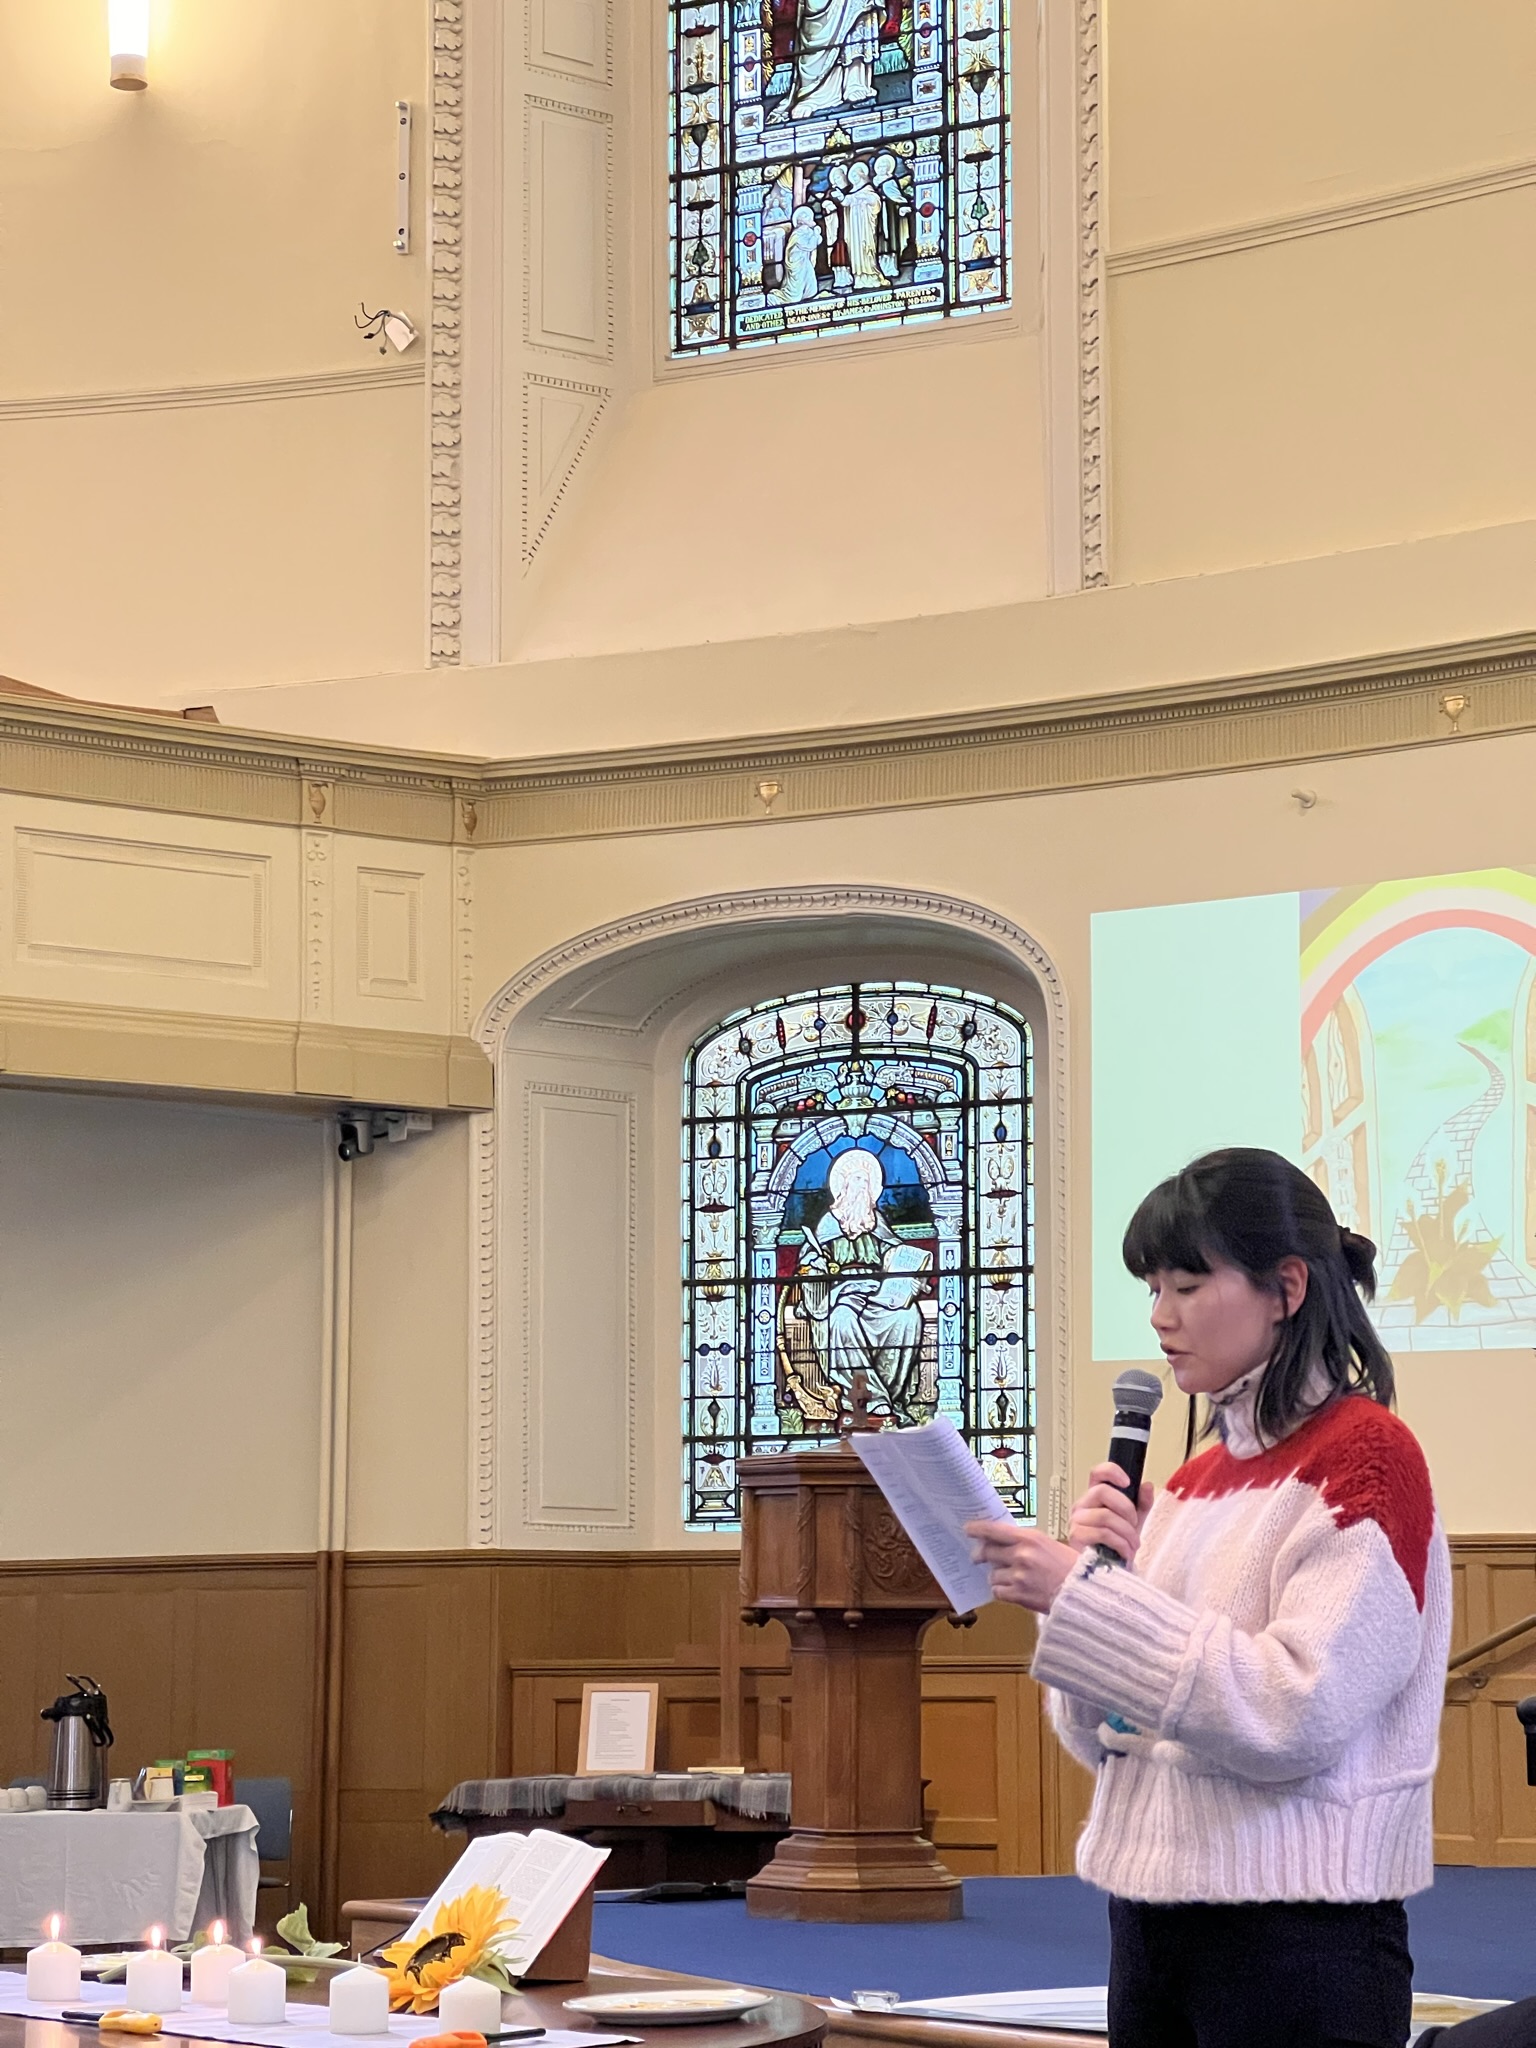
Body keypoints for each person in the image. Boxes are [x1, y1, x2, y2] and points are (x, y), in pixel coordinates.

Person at [967, 1148, 1452, 2048]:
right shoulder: (1190, 1485)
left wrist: (1091, 1603)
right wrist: (1085, 1598)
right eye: (1153, 1288)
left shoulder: (1368, 1461)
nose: (1160, 1316)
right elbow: (1103, 1737)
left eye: (1187, 1284)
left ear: (1288, 1286)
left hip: (1299, 1937)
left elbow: (1293, 1713)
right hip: (1151, 1921)